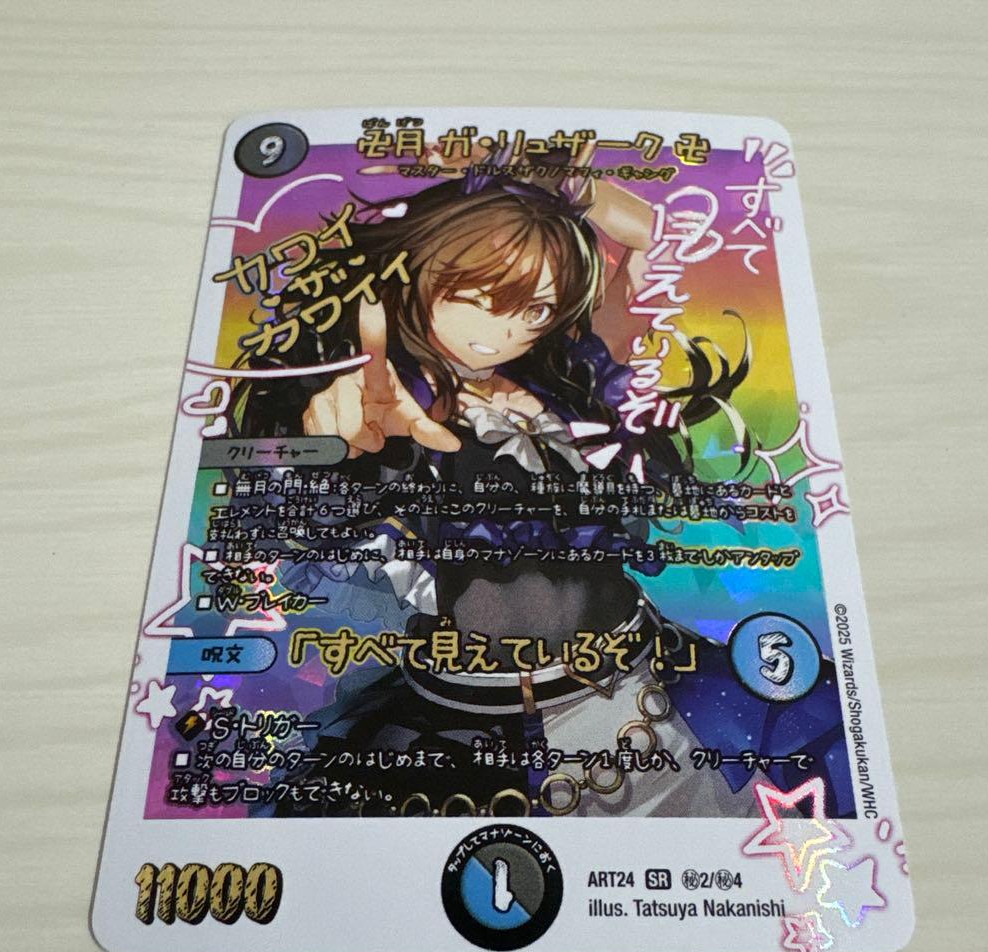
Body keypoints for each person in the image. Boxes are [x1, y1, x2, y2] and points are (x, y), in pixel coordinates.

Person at [229, 157, 853, 819]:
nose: (506, 330)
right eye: (480, 295)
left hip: (645, 685)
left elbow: (661, 235)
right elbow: (303, 493)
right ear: (419, 275)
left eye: (535, 307)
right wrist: (331, 438)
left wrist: (552, 179)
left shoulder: (570, 378)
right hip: (467, 715)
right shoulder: (394, 403)